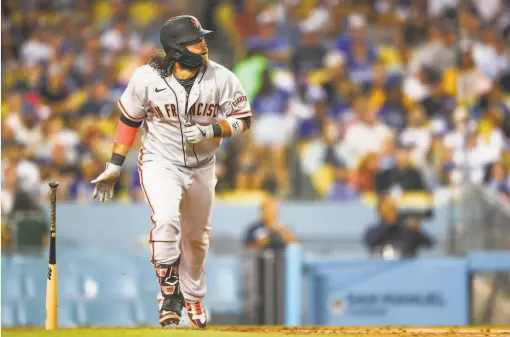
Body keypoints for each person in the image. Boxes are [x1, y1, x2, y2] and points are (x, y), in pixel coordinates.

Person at [90, 15, 252, 329]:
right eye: (195, 40)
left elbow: (244, 119)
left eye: (202, 38)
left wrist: (213, 130)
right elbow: (129, 122)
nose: (203, 44)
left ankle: (193, 297)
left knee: (197, 240)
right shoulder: (146, 78)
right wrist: (113, 166)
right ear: (177, 49)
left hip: (203, 166)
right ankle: (169, 295)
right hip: (160, 161)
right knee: (165, 219)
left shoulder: (222, 77)